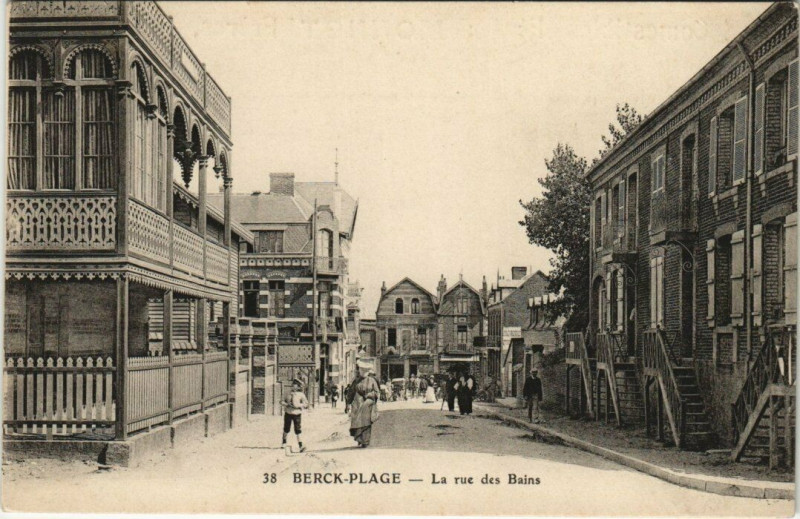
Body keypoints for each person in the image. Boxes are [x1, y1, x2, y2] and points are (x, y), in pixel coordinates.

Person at [348, 369, 380, 448]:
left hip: (367, 403)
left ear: (368, 372)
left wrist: (369, 395)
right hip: (357, 404)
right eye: (362, 371)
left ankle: (365, 440)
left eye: (365, 371)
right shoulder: (356, 381)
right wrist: (348, 403)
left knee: (366, 422)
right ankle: (359, 438)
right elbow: (351, 392)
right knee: (357, 422)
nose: (363, 373)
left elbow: (377, 392)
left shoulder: (372, 381)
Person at [281, 378, 309, 452]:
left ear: (298, 387)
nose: (293, 386)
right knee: (286, 428)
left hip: (297, 413)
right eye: (293, 385)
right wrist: (286, 404)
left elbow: (306, 403)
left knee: (298, 429)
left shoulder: (301, 395)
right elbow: (281, 401)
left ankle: (300, 445)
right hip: (288, 412)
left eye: (295, 385)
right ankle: (284, 442)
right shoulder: (287, 393)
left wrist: (299, 405)